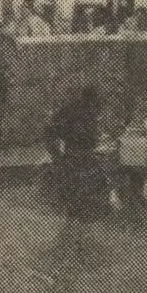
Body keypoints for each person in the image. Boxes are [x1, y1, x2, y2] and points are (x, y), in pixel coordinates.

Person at [46, 86, 104, 218]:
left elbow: (50, 131)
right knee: (82, 183)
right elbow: (91, 137)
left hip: (73, 155)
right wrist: (56, 155)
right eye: (94, 103)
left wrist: (55, 154)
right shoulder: (82, 113)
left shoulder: (69, 110)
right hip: (77, 155)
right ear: (90, 100)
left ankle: (76, 214)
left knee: (77, 187)